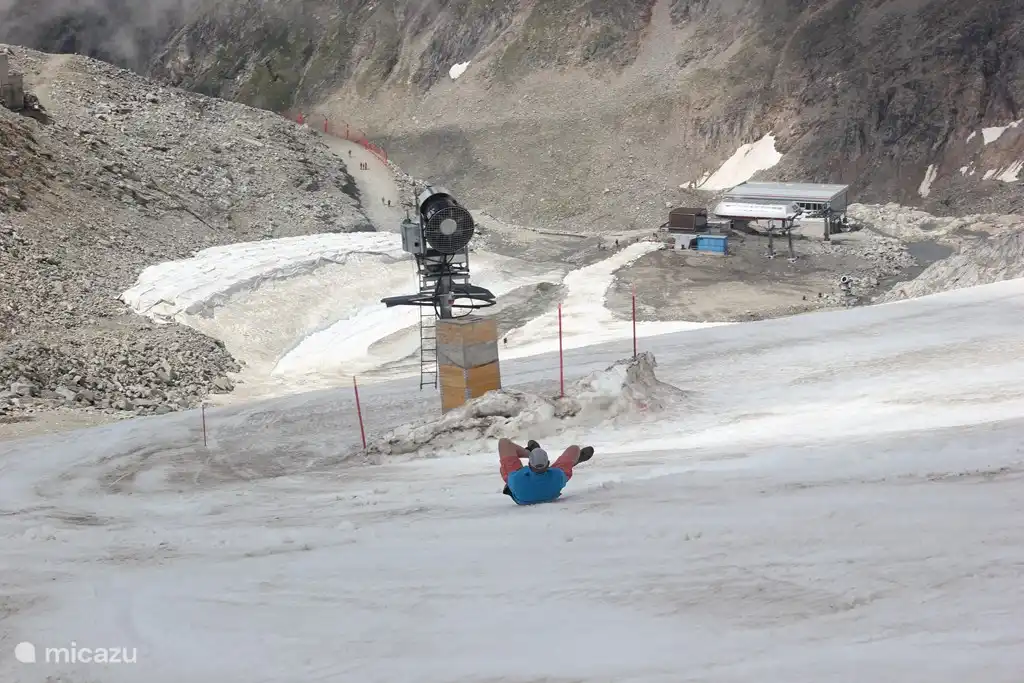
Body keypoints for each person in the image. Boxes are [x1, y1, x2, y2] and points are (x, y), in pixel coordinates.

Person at [498, 438, 594, 505]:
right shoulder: (558, 475)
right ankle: (574, 460)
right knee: (574, 448)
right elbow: (573, 450)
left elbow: (504, 472)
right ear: (548, 464)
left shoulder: (516, 478)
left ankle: (530, 453)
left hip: (522, 499)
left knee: (504, 442)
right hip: (550, 494)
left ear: (529, 465)